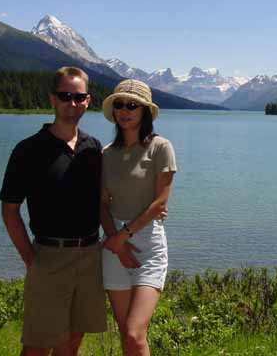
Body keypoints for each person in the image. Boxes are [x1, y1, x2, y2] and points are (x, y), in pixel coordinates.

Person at [0, 66, 106, 356]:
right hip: (49, 255)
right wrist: (31, 260)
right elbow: (10, 210)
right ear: (52, 99)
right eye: (65, 96)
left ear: (88, 101)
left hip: (89, 255)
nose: (72, 103)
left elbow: (105, 199)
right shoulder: (28, 150)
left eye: (79, 97)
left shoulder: (93, 148)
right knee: (37, 346)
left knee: (71, 344)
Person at [100, 79, 177, 356]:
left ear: (145, 111)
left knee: (135, 333)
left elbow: (160, 204)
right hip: (113, 245)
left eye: (132, 105)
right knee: (125, 335)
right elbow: (101, 205)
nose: (125, 110)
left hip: (147, 244)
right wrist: (115, 242)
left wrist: (124, 236)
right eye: (119, 104)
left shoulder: (160, 147)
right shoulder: (106, 155)